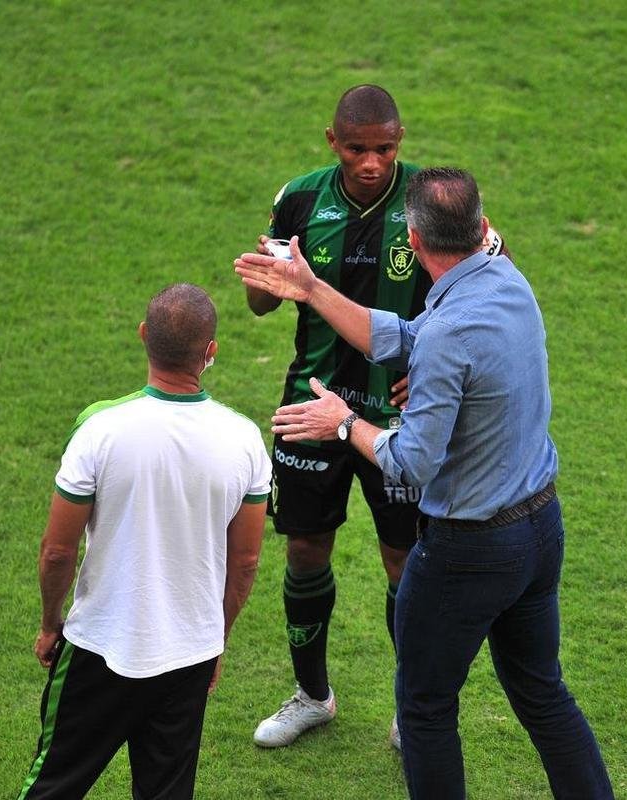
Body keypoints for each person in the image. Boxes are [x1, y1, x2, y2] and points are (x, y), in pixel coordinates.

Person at [234, 169, 613, 798]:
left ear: (412, 238)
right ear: (482, 228)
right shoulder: (509, 283)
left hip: (470, 550)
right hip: (540, 529)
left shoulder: (446, 335)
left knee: (425, 708)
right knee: (544, 695)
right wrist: (312, 288)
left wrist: (342, 422)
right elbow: (405, 336)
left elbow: (411, 463)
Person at [14, 283, 271, 800]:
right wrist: (215, 638)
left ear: (143, 336)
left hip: (98, 646)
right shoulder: (244, 440)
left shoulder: (99, 429)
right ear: (211, 351)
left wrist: (49, 623)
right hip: (189, 655)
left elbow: (58, 551)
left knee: (52, 786)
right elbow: (245, 563)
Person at [243, 83, 427, 751]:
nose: (371, 162)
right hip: (309, 404)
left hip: (397, 416)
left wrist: (428, 368)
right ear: (332, 142)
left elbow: (484, 288)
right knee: (303, 550)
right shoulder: (299, 199)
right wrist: (265, 280)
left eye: (384, 149)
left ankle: (412, 709)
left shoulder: (429, 200)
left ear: (399, 140)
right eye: (356, 149)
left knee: (404, 562)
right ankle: (312, 696)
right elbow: (260, 304)